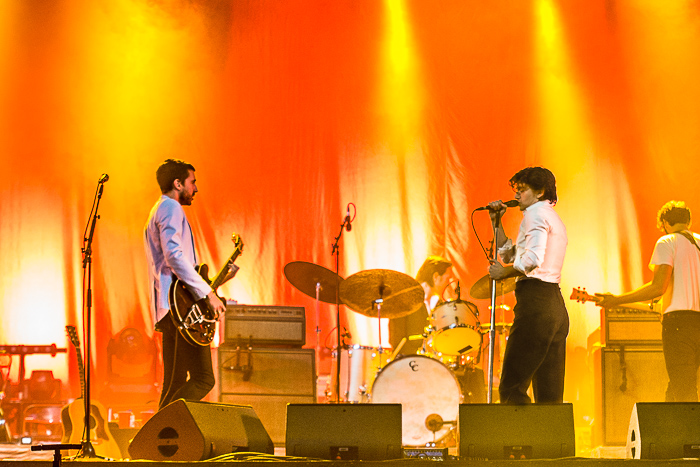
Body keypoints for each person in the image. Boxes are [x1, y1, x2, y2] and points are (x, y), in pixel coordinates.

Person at [597, 200, 700, 402]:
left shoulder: (667, 242)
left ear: (664, 223)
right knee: (679, 386)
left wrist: (617, 300)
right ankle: (666, 430)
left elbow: (657, 288)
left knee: (683, 388)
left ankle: (687, 432)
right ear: (688, 221)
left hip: (680, 325)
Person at [144, 159, 226, 409]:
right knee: (202, 379)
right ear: (177, 183)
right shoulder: (170, 208)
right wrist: (207, 293)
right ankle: (158, 432)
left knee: (176, 381)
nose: (196, 189)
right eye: (193, 182)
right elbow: (174, 256)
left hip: (173, 308)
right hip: (180, 309)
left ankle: (160, 439)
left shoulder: (159, 209)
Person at [487, 166, 569, 404]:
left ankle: (518, 441)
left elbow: (531, 261)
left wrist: (503, 274)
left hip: (536, 302)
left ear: (540, 191)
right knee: (549, 393)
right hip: (554, 304)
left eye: (522, 190)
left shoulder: (535, 215)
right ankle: (550, 441)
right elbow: (513, 256)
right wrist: (497, 223)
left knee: (513, 386)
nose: (516, 196)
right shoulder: (549, 216)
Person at [389, 256, 456, 356]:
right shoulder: (405, 300)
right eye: (447, 279)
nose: (448, 284)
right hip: (408, 363)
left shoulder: (438, 304)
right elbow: (396, 339)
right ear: (436, 277)